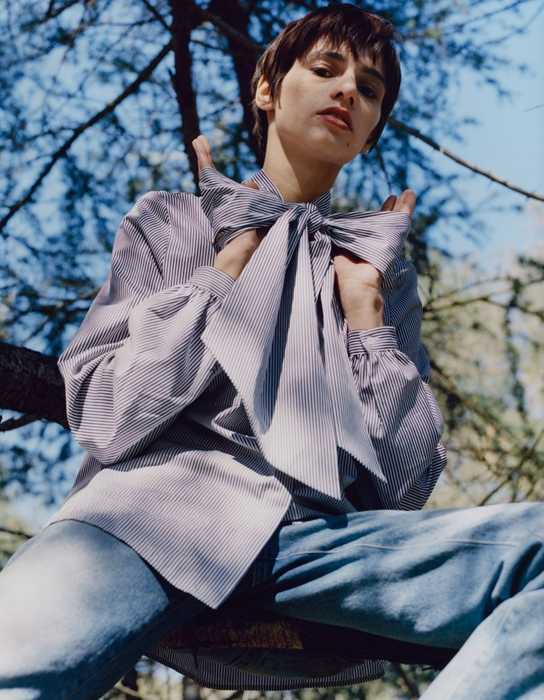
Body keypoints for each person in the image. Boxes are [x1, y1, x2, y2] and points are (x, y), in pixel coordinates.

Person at [1, 4, 543, 699]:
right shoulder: (173, 220)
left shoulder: (379, 276)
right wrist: (221, 275)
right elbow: (107, 413)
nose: (348, 90)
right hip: (147, 518)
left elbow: (402, 489)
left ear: (371, 133)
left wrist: (367, 315)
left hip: (311, 546)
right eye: (326, 69)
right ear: (266, 89)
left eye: (369, 89)